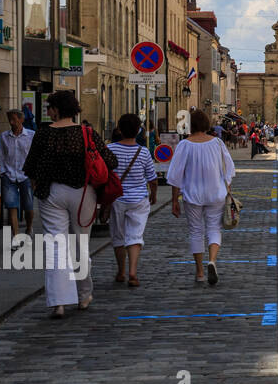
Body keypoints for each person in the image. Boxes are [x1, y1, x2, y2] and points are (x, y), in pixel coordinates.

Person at [23, 90, 117, 319]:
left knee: (56, 246)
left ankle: (59, 302)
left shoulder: (44, 135)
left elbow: (30, 167)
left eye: (49, 107)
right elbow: (110, 161)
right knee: (80, 244)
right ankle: (84, 294)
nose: (47, 111)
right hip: (83, 192)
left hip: (52, 192)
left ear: (56, 109)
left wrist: (36, 185)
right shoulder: (86, 132)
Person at [167, 109, 236, 286]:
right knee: (214, 228)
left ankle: (199, 272)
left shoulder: (184, 145)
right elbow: (229, 169)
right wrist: (227, 186)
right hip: (216, 193)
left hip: (192, 195)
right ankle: (212, 260)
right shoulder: (218, 143)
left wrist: (175, 200)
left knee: (196, 231)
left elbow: (175, 174)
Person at [107, 114, 157, 288]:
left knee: (118, 236)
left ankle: (121, 271)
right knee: (135, 236)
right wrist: (154, 194)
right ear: (138, 131)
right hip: (138, 199)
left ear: (119, 130)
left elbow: (105, 174)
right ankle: (133, 272)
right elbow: (152, 177)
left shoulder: (110, 149)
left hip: (117, 199)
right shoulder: (143, 152)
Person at [0, 109, 35, 249]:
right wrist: (2, 172)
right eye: (9, 119)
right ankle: (15, 237)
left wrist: (34, 176)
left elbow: (35, 157)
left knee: (29, 206)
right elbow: (0, 155)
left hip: (26, 176)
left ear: (21, 119)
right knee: (11, 205)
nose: (11, 122)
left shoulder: (31, 135)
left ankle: (29, 227)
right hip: (9, 175)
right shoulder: (4, 136)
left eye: (14, 119)